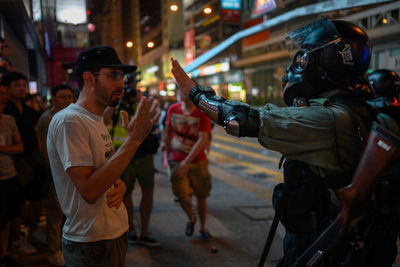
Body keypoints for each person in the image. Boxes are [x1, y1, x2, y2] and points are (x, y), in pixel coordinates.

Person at [171, 18, 377, 266]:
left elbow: (242, 120)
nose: (297, 65)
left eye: (304, 58)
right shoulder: (352, 106)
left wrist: (193, 92)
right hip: (333, 243)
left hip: (327, 249)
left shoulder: (329, 118)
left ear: (330, 60)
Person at [46, 46, 159, 267]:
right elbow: (89, 190)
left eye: (123, 76)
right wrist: (134, 141)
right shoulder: (70, 121)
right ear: (89, 78)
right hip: (90, 242)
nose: (122, 83)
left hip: (110, 233)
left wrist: (120, 184)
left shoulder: (95, 118)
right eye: (113, 75)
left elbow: (102, 170)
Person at [105, 88, 160, 247]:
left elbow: (152, 124)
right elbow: (104, 121)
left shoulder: (141, 107)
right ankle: (131, 229)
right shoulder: (115, 108)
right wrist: (115, 103)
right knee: (125, 193)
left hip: (143, 155)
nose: (137, 97)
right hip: (122, 156)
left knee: (148, 191)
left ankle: (145, 231)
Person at [3, 71, 45, 255]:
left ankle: (33, 231)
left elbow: (37, 136)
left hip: (32, 162)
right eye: (17, 85)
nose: (21, 88)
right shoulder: (5, 112)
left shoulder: (29, 111)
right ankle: (18, 239)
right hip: (13, 164)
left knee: (37, 198)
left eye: (23, 85)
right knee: (17, 205)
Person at [164, 86, 213, 241]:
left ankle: (203, 228)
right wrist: (165, 154)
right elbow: (167, 132)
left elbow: (203, 138)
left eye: (185, 91)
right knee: (181, 194)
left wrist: (186, 162)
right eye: (180, 90)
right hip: (176, 159)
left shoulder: (202, 112)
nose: (182, 93)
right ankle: (191, 218)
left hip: (198, 161)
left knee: (201, 196)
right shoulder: (172, 109)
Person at [37, 84, 74, 266]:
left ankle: (62, 247)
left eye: (69, 96)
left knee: (65, 212)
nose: (67, 100)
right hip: (56, 173)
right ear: (53, 98)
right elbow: (45, 151)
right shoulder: (47, 119)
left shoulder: (69, 117)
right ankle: (53, 250)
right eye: (62, 97)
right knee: (55, 213)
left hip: (70, 173)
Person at [0, 83, 24, 267]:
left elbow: (20, 147)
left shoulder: (9, 120)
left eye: (4, 94)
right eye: (0, 94)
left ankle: (4, 253)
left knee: (8, 217)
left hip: (9, 176)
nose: (3, 98)